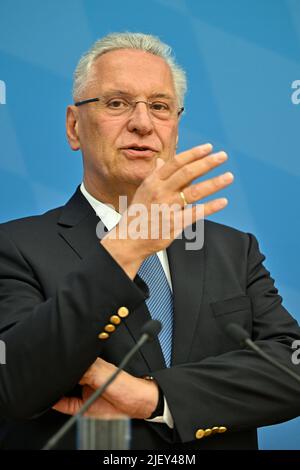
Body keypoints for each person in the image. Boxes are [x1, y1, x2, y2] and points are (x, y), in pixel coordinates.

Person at [0, 32, 300, 451]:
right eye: (117, 103)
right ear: (74, 126)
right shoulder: (13, 246)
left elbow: (292, 367)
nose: (142, 123)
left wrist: (154, 398)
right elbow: (12, 381)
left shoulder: (235, 249)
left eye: (159, 107)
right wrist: (127, 246)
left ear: (175, 130)